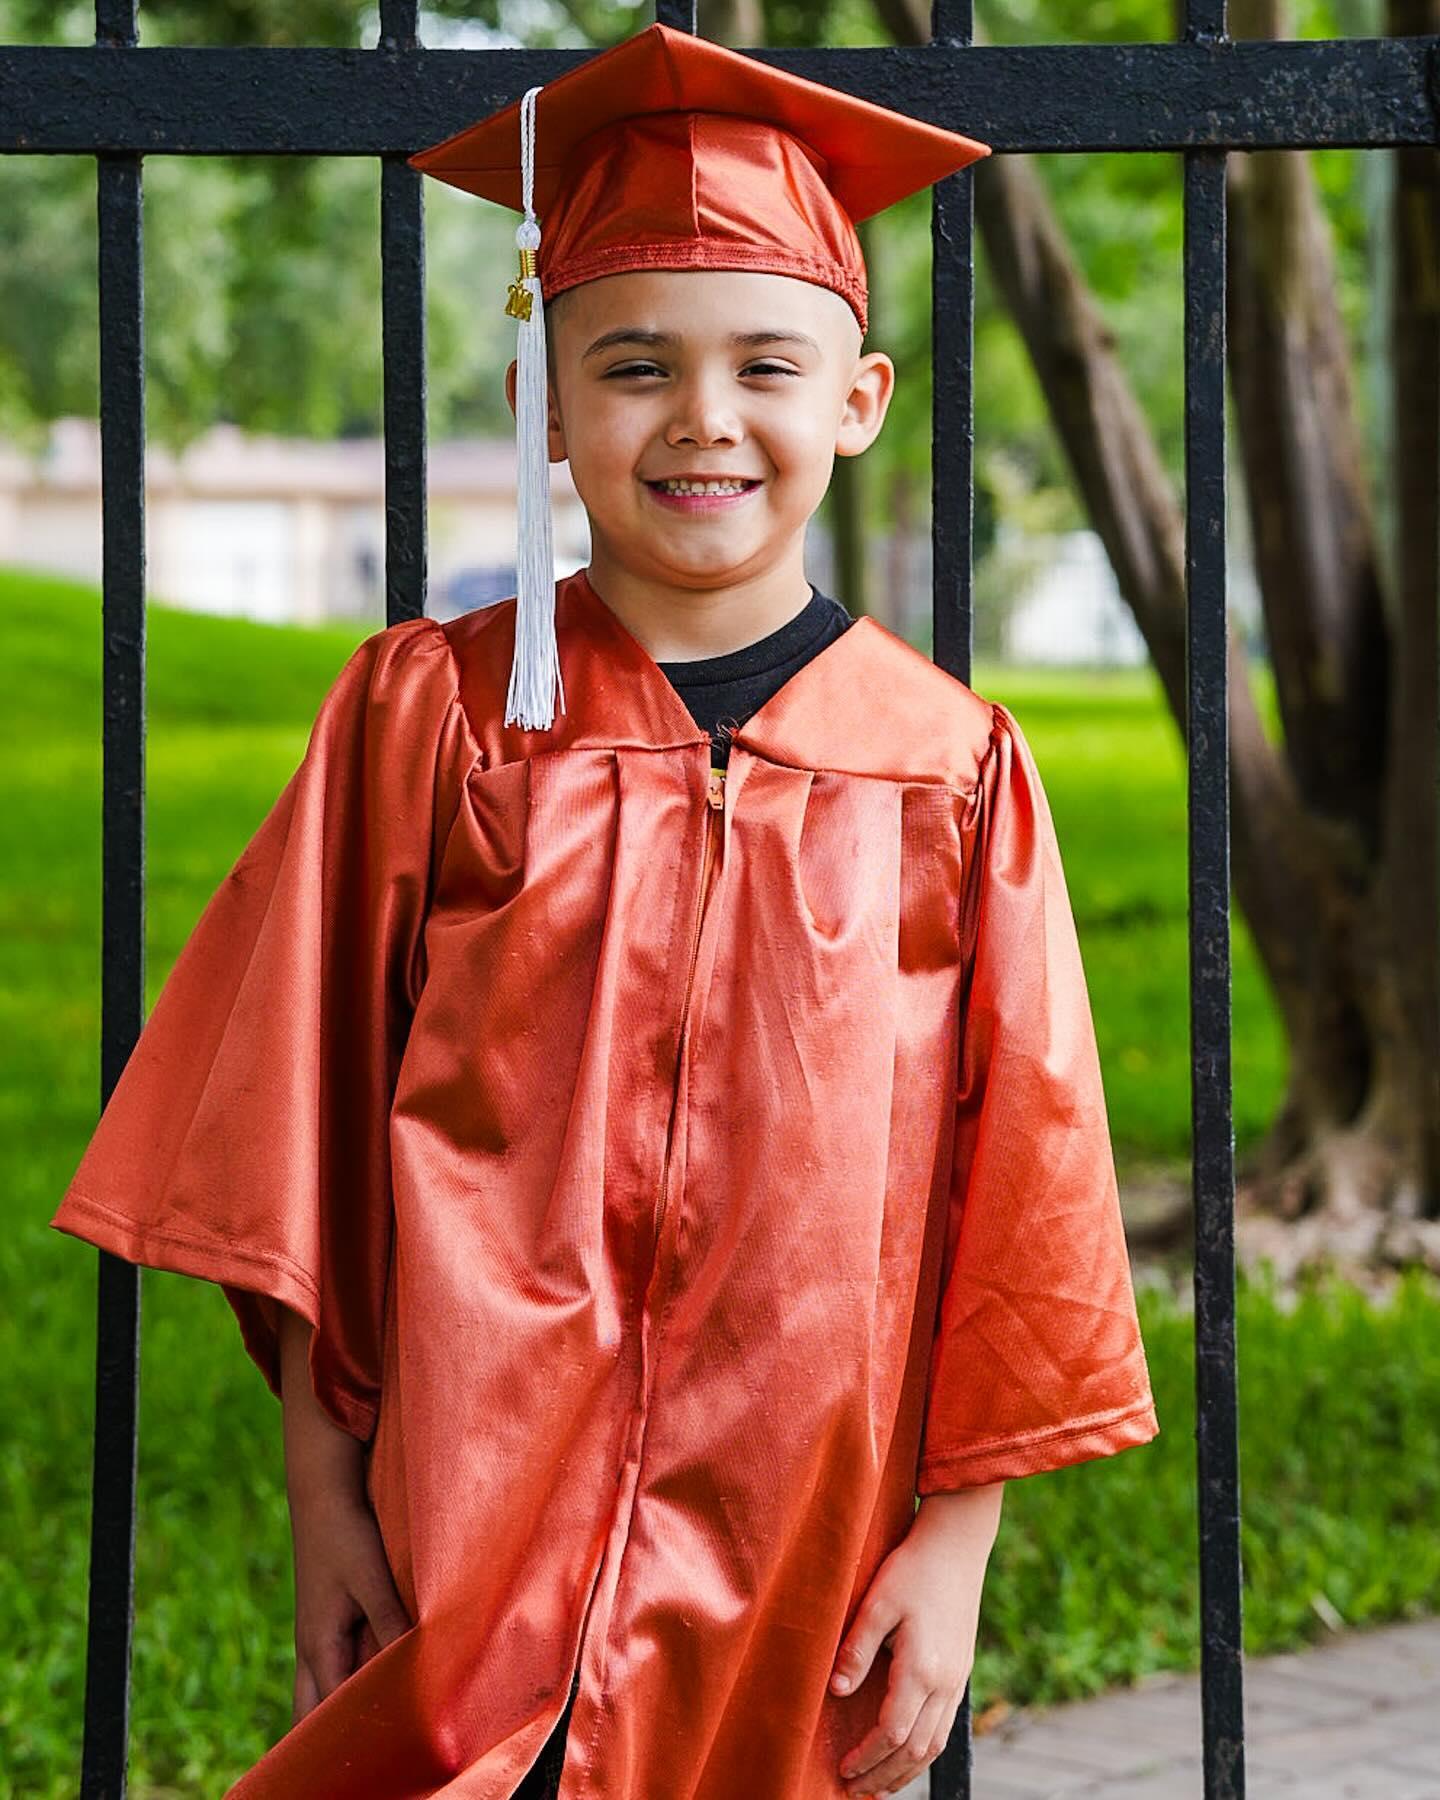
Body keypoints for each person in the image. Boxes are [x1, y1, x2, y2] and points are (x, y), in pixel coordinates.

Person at [49, 21, 1159, 1800]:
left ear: (857, 402)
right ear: (550, 400)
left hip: (802, 1507)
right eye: (633, 364)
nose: (703, 419)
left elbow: (1018, 1184)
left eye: (766, 366)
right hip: (474, 1485)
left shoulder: (947, 767)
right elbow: (294, 1121)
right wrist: (322, 1491)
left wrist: (957, 1545)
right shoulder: (437, 715)